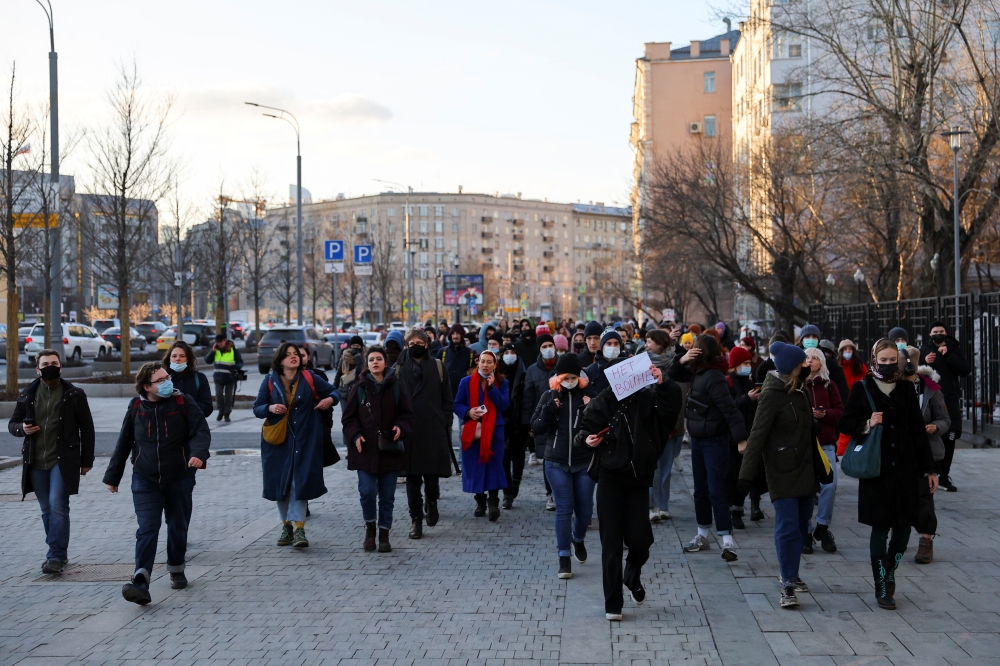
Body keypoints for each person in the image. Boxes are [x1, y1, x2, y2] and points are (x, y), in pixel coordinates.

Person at [574, 361, 682, 621]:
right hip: (610, 477)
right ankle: (613, 603)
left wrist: (663, 383)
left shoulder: (649, 399)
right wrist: (587, 440)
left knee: (641, 540)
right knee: (610, 544)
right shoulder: (604, 400)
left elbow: (670, 411)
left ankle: (632, 575)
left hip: (638, 477)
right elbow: (582, 433)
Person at [838, 339, 938, 610]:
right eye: (882, 360)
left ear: (899, 360)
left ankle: (891, 572)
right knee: (880, 528)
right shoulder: (862, 388)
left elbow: (918, 431)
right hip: (877, 472)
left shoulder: (906, 389)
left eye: (892, 359)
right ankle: (882, 585)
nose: (888, 364)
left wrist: (929, 469)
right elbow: (845, 422)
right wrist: (867, 424)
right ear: (874, 359)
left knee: (904, 529)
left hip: (906, 470)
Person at [103, 362, 211, 605]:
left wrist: (199, 454)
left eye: (167, 377)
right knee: (147, 528)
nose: (167, 382)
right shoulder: (136, 407)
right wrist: (113, 477)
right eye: (160, 380)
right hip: (145, 478)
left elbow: (201, 432)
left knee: (177, 525)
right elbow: (124, 442)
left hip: (180, 476)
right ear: (146, 387)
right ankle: (141, 580)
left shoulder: (183, 403)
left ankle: (176, 568)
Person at [737, 342, 818, 609]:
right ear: (792, 367)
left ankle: (793, 573)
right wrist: (745, 479)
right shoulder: (771, 394)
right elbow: (757, 435)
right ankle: (786, 582)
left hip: (805, 469)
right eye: (803, 363)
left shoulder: (801, 391)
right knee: (787, 525)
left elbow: (808, 434)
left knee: (801, 524)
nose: (807, 366)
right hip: (781, 470)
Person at [10, 350, 95, 575]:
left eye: (54, 363)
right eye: (45, 363)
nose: (50, 366)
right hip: (35, 460)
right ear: (37, 369)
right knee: (46, 509)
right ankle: (57, 551)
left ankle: (55, 555)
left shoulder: (74, 394)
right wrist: (22, 429)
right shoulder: (27, 394)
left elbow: (87, 429)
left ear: (60, 367)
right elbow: (13, 423)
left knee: (58, 505)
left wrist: (86, 460)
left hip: (63, 460)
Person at [668, 334, 748, 561]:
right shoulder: (697, 372)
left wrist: (741, 439)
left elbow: (730, 409)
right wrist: (682, 359)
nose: (690, 350)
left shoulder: (713, 376)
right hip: (699, 440)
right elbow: (673, 374)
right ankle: (702, 534)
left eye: (694, 348)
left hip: (715, 440)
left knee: (716, 490)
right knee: (701, 490)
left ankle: (727, 540)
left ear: (702, 351)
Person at [253, 343, 338, 549]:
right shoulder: (270, 380)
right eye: (288, 355)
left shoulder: (308, 378)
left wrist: (329, 400)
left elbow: (334, 392)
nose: (294, 357)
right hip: (278, 441)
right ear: (280, 360)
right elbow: (257, 408)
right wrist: (270, 407)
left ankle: (299, 527)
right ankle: (286, 526)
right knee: (281, 484)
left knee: (298, 483)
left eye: (296, 354)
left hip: (305, 439)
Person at [342, 346, 413, 552]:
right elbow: (348, 418)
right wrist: (355, 435)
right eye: (371, 359)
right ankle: (370, 529)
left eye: (379, 359)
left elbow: (407, 414)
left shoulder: (396, 386)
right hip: (365, 450)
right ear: (367, 363)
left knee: (387, 495)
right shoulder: (360, 386)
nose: (375, 362)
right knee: (367, 491)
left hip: (389, 449)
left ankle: (384, 534)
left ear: (385, 362)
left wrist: (401, 427)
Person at [532, 353, 596, 579]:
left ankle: (577, 539)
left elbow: (602, 424)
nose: (569, 381)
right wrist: (549, 410)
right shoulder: (550, 395)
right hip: (556, 462)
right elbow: (536, 428)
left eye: (573, 377)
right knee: (564, 508)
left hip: (584, 461)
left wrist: (592, 408)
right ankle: (564, 557)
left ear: (579, 377)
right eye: (564, 377)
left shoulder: (589, 395)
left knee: (585, 509)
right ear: (558, 377)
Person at [395, 329, 453, 539]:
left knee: (430, 475)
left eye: (420, 342)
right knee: (412, 479)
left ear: (427, 344)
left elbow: (447, 397)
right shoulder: (399, 369)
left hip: (432, 428)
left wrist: (445, 420)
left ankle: (432, 501)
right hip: (409, 429)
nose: (416, 345)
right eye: (412, 343)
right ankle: (416, 520)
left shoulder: (438, 366)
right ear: (406, 346)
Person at [902, 346, 950, 564]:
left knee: (924, 496)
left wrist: (934, 427)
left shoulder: (930, 388)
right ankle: (898, 537)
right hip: (900, 450)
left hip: (926, 452)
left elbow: (944, 420)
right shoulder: (892, 386)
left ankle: (925, 540)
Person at [454, 349, 510, 520]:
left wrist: (492, 388)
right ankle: (480, 501)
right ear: (478, 362)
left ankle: (493, 502)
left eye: (489, 362)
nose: (485, 365)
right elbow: (457, 404)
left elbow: (505, 405)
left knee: (493, 465)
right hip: (473, 431)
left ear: (495, 365)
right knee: (475, 466)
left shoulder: (502, 382)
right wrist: (468, 412)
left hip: (494, 431)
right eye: (483, 361)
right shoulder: (466, 382)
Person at [919, 320, 971, 491]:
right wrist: (925, 361)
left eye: (941, 331)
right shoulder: (925, 350)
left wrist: (948, 355)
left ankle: (944, 475)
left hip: (949, 400)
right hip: (931, 399)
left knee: (950, 435)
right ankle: (931, 471)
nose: (938, 334)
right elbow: (917, 372)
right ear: (930, 334)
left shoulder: (953, 349)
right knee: (932, 434)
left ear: (946, 333)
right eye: (935, 331)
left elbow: (964, 370)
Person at [803, 347, 843, 554]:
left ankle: (822, 527)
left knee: (830, 484)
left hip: (826, 443)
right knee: (806, 489)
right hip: (804, 444)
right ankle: (806, 533)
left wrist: (824, 414)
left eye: (814, 358)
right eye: (807, 357)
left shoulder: (829, 384)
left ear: (821, 362)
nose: (810, 361)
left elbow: (839, 411)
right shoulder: (797, 384)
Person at [644, 329, 684, 522]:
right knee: (651, 467)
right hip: (648, 420)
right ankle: (651, 505)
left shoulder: (675, 362)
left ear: (660, 343)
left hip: (669, 420)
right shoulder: (641, 360)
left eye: (650, 341)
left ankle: (663, 504)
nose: (646, 345)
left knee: (666, 467)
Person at [726, 346, 760, 530]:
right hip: (732, 438)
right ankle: (733, 511)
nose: (748, 366)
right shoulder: (728, 382)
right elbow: (729, 407)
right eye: (745, 363)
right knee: (732, 475)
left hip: (749, 435)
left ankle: (739, 508)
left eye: (749, 363)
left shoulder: (750, 382)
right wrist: (747, 399)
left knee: (745, 476)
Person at [523, 333, 558, 501]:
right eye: (544, 347)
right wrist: (529, 424)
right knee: (547, 458)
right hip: (542, 420)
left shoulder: (562, 366)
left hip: (562, 418)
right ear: (539, 350)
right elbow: (528, 399)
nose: (548, 349)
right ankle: (550, 493)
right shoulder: (532, 370)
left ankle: (562, 493)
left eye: (550, 346)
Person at [499, 342, 527, 509]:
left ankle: (516, 482)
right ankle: (507, 493)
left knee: (518, 457)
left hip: (519, 421)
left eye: (512, 352)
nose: (510, 355)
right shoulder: (497, 371)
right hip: (502, 420)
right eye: (506, 352)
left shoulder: (524, 371)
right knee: (503, 458)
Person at [164, 341, 213, 417]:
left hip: (193, 426)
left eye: (182, 356)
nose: (177, 359)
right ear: (169, 359)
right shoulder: (162, 379)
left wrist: (185, 404)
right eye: (174, 356)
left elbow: (207, 407)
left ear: (188, 359)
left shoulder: (199, 378)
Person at [205, 333, 243, 423]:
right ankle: (220, 411)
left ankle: (227, 414)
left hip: (230, 377)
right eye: (217, 342)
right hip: (218, 377)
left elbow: (240, 362)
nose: (219, 344)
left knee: (228, 397)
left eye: (220, 342)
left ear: (225, 341)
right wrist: (212, 351)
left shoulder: (233, 349)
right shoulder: (215, 350)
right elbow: (207, 360)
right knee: (219, 395)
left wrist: (236, 368)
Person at [584, 327, 627, 395]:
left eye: (616, 344)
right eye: (609, 344)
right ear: (602, 346)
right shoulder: (591, 370)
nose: (613, 347)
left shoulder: (628, 367)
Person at [439, 324, 477, 398]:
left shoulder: (471, 353)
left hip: (464, 394)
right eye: (453, 333)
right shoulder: (443, 352)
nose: (455, 336)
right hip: (446, 395)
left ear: (462, 335)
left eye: (458, 333)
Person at [818, 339, 849, 404]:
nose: (825, 355)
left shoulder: (836, 368)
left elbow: (842, 390)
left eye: (828, 352)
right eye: (823, 351)